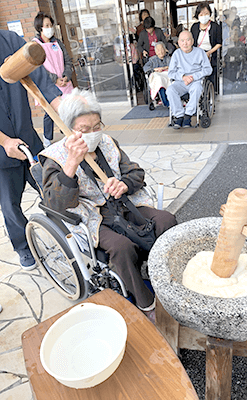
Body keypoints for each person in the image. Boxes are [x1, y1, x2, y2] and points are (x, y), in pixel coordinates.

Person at [39, 88, 177, 322]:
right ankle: (146, 304)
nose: (93, 134)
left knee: (166, 221)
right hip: (91, 215)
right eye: (84, 129)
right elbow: (57, 203)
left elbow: (136, 173)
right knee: (122, 248)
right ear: (68, 129)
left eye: (97, 126)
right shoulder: (54, 157)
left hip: (124, 203)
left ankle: (169, 278)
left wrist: (123, 184)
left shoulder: (108, 143)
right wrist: (71, 164)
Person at [0, 29, 61, 270]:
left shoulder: (10, 41)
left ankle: (70, 234)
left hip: (29, 139)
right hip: (1, 151)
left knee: (52, 188)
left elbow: (40, 77)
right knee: (10, 204)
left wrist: (63, 108)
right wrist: (4, 141)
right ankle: (24, 248)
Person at [33, 11, 74, 148]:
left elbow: (68, 60)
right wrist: (55, 79)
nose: (50, 28)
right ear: (40, 28)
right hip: (49, 85)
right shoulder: (35, 45)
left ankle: (69, 133)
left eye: (51, 25)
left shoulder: (58, 43)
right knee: (50, 113)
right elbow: (37, 68)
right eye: (47, 25)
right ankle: (47, 138)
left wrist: (66, 76)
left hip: (65, 82)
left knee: (68, 109)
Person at [166, 30, 212, 129]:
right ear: (178, 42)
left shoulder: (200, 52)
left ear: (192, 41)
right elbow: (171, 72)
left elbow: (208, 69)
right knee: (170, 90)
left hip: (195, 81)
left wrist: (194, 77)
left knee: (197, 88)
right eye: (182, 40)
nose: (185, 43)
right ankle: (179, 116)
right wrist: (183, 77)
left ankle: (188, 115)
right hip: (181, 82)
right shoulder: (176, 54)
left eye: (187, 40)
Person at [191, 1, 222, 90]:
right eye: (201, 14)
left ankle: (212, 92)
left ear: (210, 14)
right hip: (197, 55)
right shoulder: (194, 27)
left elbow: (219, 43)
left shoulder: (215, 26)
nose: (204, 16)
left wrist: (209, 53)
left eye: (206, 13)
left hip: (211, 54)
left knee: (210, 75)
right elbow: (192, 42)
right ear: (197, 15)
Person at [143, 42, 171, 109]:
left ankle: (170, 100)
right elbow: (145, 68)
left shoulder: (169, 58)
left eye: (162, 49)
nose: (160, 52)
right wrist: (154, 69)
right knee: (159, 80)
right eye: (158, 50)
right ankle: (165, 102)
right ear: (155, 51)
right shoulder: (152, 60)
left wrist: (164, 68)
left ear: (165, 50)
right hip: (158, 77)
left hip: (167, 76)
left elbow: (173, 67)